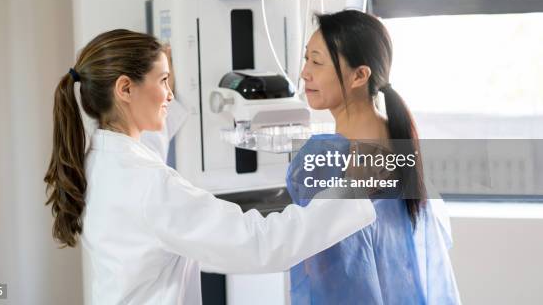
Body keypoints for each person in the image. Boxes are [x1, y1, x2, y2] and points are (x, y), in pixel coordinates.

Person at [43, 29, 378, 305]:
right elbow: (261, 245)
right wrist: (353, 189)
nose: (170, 94)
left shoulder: (98, 159)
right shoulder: (148, 185)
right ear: (125, 89)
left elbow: (144, 158)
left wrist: (162, 87)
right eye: (163, 81)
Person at [287, 10, 461, 304]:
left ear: (359, 75)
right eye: (306, 59)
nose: (305, 72)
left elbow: (322, 270)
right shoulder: (400, 142)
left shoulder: (322, 160)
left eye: (317, 61)